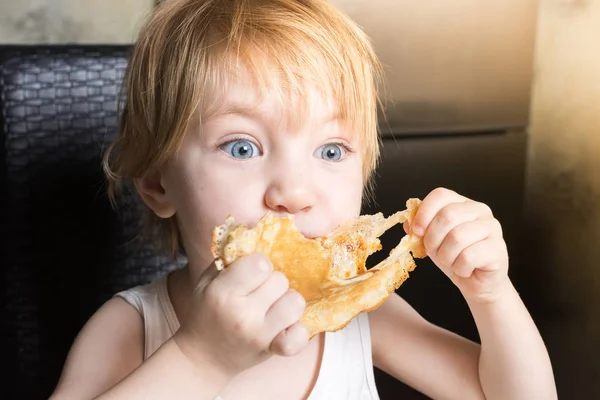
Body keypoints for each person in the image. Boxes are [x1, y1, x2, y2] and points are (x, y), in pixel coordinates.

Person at [49, 0, 557, 399]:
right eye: (242, 147)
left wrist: (490, 294)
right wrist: (200, 358)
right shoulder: (131, 327)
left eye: (331, 150)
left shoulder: (362, 317)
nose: (293, 192)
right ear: (159, 182)